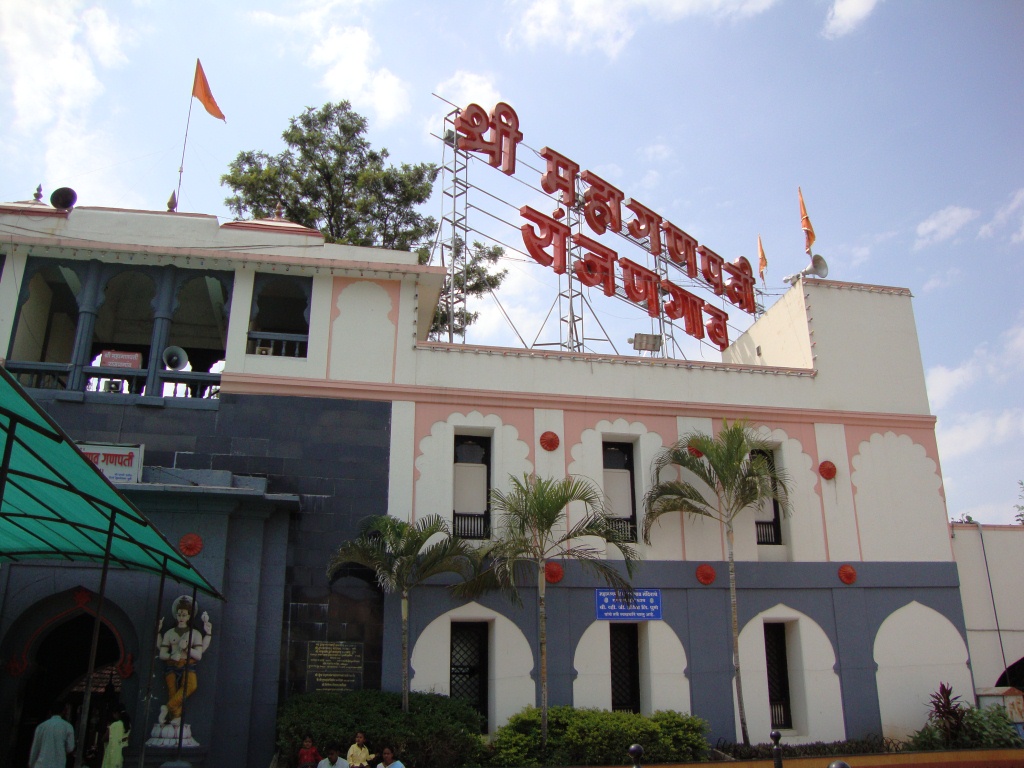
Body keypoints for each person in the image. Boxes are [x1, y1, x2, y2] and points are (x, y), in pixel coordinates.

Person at [156, 595, 212, 724]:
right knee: (172, 691)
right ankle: (175, 717)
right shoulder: (169, 633)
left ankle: (167, 707)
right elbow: (162, 653)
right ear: (176, 615)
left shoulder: (195, 634)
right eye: (179, 615)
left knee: (191, 686)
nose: (181, 618)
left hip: (188, 665)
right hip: (172, 665)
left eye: (184, 615)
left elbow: (198, 655)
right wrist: (171, 656)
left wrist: (187, 648)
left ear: (189, 616)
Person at [28, 700, 75, 768]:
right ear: (64, 711)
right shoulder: (67, 727)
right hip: (58, 764)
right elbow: (70, 748)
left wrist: (31, 764)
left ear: (51, 712)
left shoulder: (41, 726)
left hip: (41, 764)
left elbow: (35, 747)